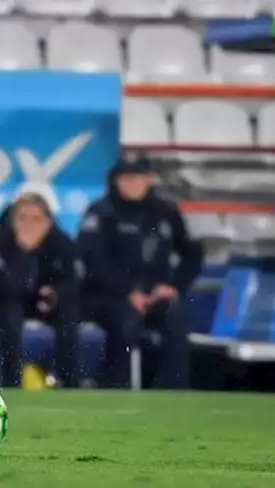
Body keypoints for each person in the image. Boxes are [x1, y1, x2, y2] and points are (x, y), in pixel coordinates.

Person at [78, 154, 203, 390]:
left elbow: (193, 253)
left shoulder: (165, 212)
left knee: (174, 316)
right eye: (125, 178)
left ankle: (174, 390)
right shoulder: (101, 213)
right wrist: (126, 291)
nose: (130, 184)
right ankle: (117, 385)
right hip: (109, 295)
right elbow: (93, 261)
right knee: (125, 321)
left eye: (136, 178)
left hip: (155, 294)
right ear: (115, 180)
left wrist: (174, 287)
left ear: (148, 180)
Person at [0, 193, 82, 388]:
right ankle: (12, 383)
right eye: (23, 218)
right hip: (4, 301)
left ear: (48, 222)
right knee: (10, 315)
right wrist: (24, 252)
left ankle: (67, 383)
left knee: (69, 315)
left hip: (43, 304)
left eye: (36, 219)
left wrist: (55, 294)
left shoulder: (60, 241)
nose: (29, 225)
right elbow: (1, 286)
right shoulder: (2, 240)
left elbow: (72, 281)